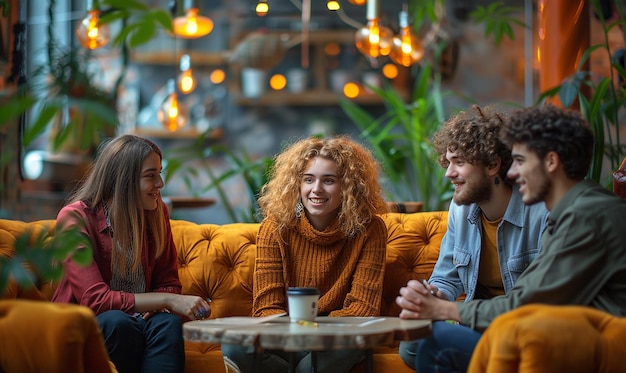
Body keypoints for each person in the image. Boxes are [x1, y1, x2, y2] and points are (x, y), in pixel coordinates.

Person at [396, 104, 626, 373]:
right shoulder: (571, 212)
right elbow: (525, 297)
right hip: (550, 332)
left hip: (592, 344)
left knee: (440, 342)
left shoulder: (585, 216)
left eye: (519, 161)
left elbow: (525, 305)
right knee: (418, 343)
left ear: (550, 162)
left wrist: (441, 310)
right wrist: (433, 298)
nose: (512, 173)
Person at [222, 135, 390, 373]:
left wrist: (312, 332)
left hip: (342, 337)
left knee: (343, 348)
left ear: (348, 186)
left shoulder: (370, 230)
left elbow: (362, 310)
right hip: (288, 337)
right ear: (297, 184)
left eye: (329, 180)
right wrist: (300, 334)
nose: (316, 189)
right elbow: (266, 309)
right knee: (234, 346)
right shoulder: (275, 227)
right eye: (308, 179)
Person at [398, 105, 549, 369]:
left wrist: (451, 312)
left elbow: (540, 301)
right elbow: (446, 278)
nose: (449, 173)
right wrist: (430, 294)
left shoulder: (540, 212)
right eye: (448, 162)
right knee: (411, 345)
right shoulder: (461, 209)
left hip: (524, 326)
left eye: (460, 162)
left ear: (492, 165)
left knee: (439, 342)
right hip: (477, 324)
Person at [52, 134, 212, 373]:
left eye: (160, 172)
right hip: (89, 326)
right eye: (151, 175)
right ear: (123, 179)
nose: (160, 183)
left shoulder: (157, 213)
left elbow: (168, 282)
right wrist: (166, 300)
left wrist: (161, 302)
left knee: (166, 323)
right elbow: (95, 300)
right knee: (118, 322)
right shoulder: (75, 218)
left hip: (141, 323)